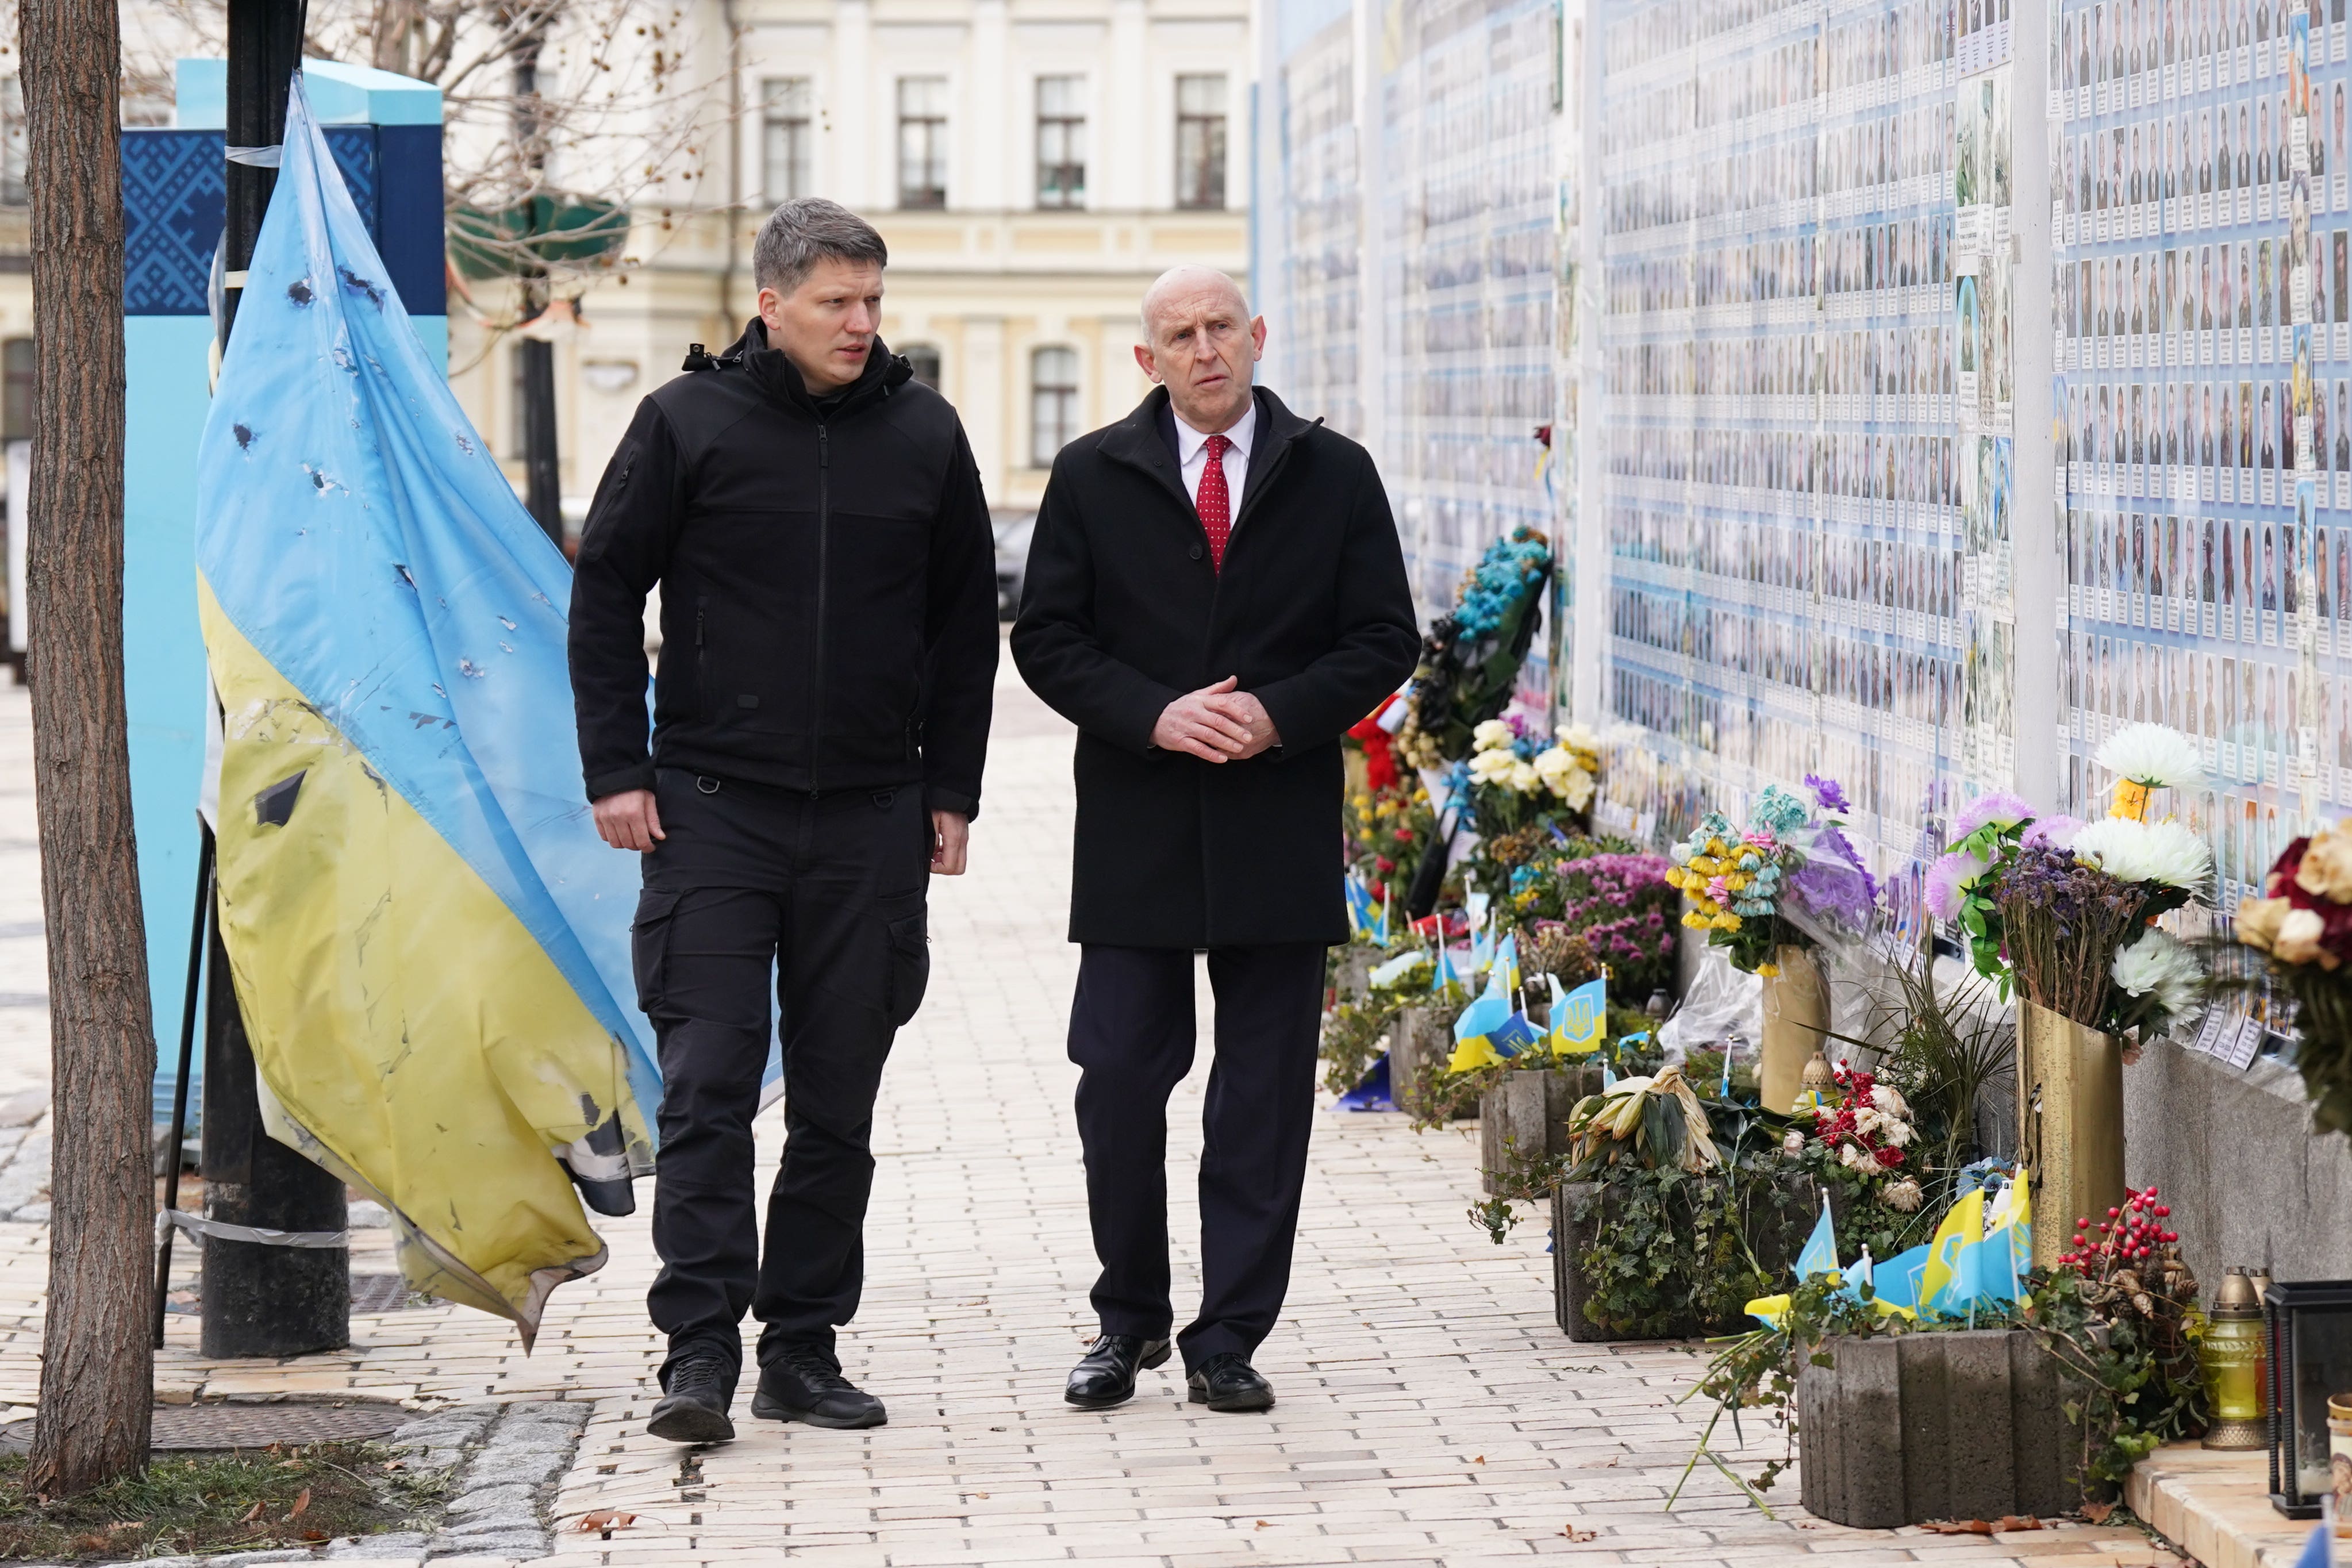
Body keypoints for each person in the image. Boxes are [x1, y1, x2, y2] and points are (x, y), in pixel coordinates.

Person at [568, 198, 998, 1444]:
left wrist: (952, 790)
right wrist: (617, 767)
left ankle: (800, 1346)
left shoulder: (927, 436)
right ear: (771, 303)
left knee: (838, 1097)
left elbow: (967, 628)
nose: (862, 323)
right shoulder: (687, 422)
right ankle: (697, 1345)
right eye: (836, 303)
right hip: (709, 810)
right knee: (705, 1084)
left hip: (870, 817)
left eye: (873, 301)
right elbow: (605, 593)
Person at [1012, 267, 1418, 1414]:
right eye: (1178, 335)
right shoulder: (1094, 474)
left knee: (1264, 1095)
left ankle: (1229, 1334)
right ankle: (1126, 1318)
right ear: (1148, 359)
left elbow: (1387, 633)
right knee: (1122, 1082)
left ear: (1258, 337)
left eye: (1221, 328)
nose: (1204, 350)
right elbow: (1046, 637)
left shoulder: (1333, 473)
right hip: (1138, 830)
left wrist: (1280, 712)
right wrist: (1156, 711)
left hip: (1275, 825)